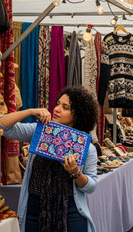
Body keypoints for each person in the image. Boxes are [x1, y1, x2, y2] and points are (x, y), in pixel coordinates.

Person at [0, 86, 99, 232]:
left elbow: (91, 186)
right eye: (58, 104)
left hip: (70, 214)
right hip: (34, 212)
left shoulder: (86, 147)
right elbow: (3, 125)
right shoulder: (39, 132)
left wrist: (76, 173)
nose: (57, 109)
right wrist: (31, 111)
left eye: (65, 107)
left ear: (78, 114)